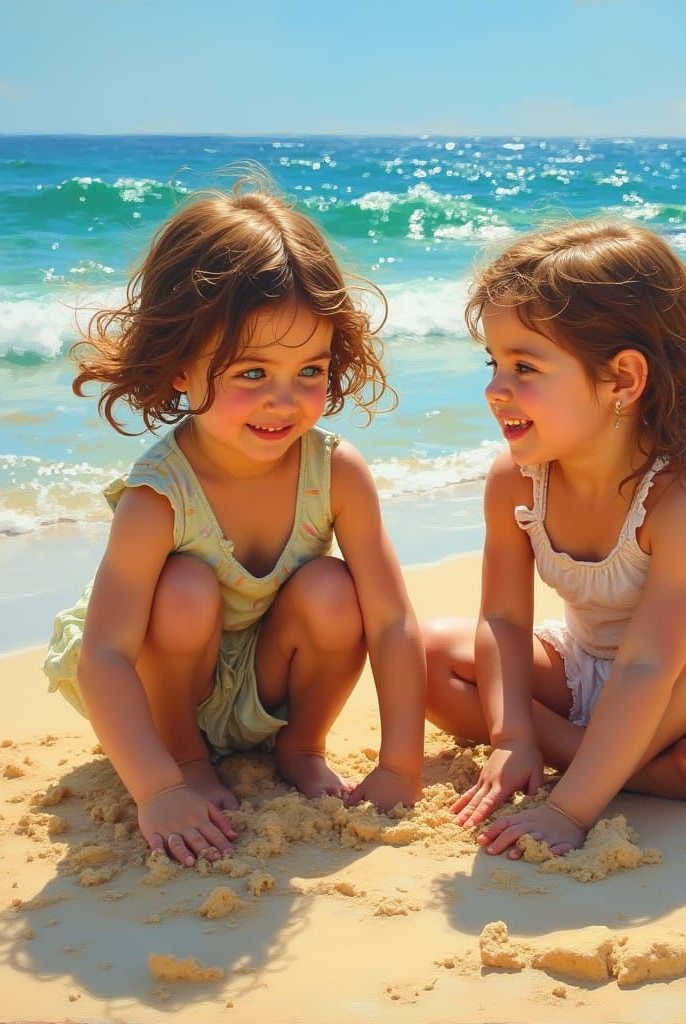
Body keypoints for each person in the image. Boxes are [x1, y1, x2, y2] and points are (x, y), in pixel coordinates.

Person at [424, 220, 686, 859]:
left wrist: (568, 811)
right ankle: (627, 769)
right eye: (494, 362)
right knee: (430, 653)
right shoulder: (516, 480)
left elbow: (653, 662)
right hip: (598, 668)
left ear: (622, 379)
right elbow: (506, 619)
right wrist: (512, 735)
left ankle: (592, 774)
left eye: (524, 366)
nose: (495, 389)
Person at [43, 177, 426, 868]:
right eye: (251, 372)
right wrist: (156, 788)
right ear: (179, 367)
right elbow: (104, 656)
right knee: (185, 587)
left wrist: (400, 762)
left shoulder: (335, 471)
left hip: (270, 684)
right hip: (167, 691)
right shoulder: (157, 497)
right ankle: (188, 760)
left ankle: (300, 747)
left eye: (310, 369)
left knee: (337, 591)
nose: (285, 400)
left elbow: (394, 622)